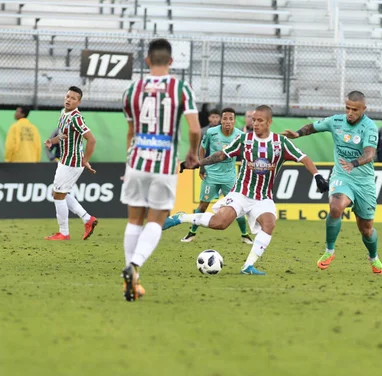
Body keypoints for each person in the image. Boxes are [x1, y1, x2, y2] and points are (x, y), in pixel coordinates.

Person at [163, 105, 329, 275]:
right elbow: (221, 155)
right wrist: (199, 163)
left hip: (263, 197)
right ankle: (181, 217)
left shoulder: (281, 143)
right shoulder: (245, 140)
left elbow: (304, 158)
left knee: (269, 223)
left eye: (260, 121)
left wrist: (317, 176)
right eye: (254, 120)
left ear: (269, 122)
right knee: (220, 224)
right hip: (241, 192)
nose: (255, 123)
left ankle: (247, 266)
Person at [120, 38, 201, 301]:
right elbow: (194, 129)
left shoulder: (133, 89)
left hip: (137, 161)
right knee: (156, 219)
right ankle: (134, 266)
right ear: (171, 61)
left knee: (134, 220)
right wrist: (192, 152)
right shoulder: (180, 87)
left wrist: (128, 162)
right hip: (164, 164)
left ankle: (130, 283)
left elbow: (131, 132)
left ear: (146, 61)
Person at [283, 91, 382, 275]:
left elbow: (370, 154)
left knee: (366, 229)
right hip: (342, 176)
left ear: (364, 109)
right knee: (336, 206)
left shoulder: (370, 127)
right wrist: (298, 133)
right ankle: (329, 251)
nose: (350, 112)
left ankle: (373, 257)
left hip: (364, 182)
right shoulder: (336, 121)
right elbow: (313, 127)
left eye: (355, 109)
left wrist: (354, 163)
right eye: (347, 108)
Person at [181, 107, 253, 244]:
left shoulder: (240, 135)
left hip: (230, 177)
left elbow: (246, 154)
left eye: (230, 119)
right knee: (203, 205)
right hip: (212, 175)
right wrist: (202, 166)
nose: (227, 121)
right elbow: (202, 148)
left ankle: (245, 235)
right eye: (225, 118)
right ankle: (191, 233)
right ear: (221, 119)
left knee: (237, 207)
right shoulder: (211, 132)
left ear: (234, 121)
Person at [44, 86, 98, 241]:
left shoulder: (76, 117)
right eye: (67, 96)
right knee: (58, 193)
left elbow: (91, 140)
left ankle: (64, 233)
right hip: (65, 160)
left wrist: (85, 160)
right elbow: (64, 135)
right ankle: (88, 219)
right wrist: (52, 141)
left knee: (58, 195)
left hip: (72, 162)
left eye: (73, 98)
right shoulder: (64, 113)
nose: (69, 99)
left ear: (78, 102)